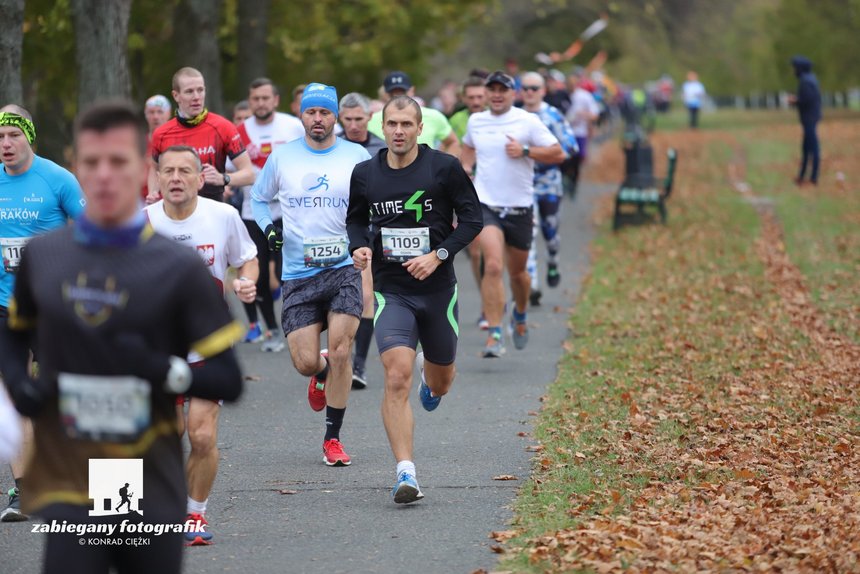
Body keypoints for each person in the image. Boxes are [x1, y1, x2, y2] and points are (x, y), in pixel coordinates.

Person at [0, 101, 244, 573]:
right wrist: (22, 387)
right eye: (93, 163)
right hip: (70, 476)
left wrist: (160, 369)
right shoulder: (45, 256)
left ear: (142, 173)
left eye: (119, 162)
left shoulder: (176, 267)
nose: (105, 175)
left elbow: (227, 379)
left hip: (145, 477)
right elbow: (14, 333)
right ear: (77, 170)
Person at [347, 95, 482, 503]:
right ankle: (405, 472)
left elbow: (473, 219)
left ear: (421, 128)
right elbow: (355, 218)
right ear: (381, 128)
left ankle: (432, 381)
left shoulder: (444, 167)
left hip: (438, 291)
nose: (399, 131)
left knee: (441, 380)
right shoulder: (366, 173)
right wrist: (359, 246)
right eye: (392, 124)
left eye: (407, 124)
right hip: (393, 292)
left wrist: (438, 254)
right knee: (395, 374)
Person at [251, 83, 371, 466]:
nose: (317, 120)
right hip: (299, 273)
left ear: (335, 116)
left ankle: (332, 438)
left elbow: (371, 204)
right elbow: (257, 198)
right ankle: (319, 372)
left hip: (343, 268)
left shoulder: (356, 155)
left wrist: (365, 240)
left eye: (325, 113)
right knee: (305, 362)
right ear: (301, 115)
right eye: (311, 113)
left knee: (341, 350)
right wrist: (270, 230)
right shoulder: (283, 157)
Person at [146, 145, 258, 546]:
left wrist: (246, 281)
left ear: (199, 178)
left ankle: (195, 514)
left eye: (184, 171)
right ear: (157, 178)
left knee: (203, 436)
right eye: (168, 171)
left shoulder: (223, 216)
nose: (176, 178)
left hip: (207, 345)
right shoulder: (141, 223)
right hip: (157, 349)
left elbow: (247, 258)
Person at [0, 105, 85, 522]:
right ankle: (23, 490)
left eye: (13, 135)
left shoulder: (57, 179)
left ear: (28, 136)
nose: (5, 144)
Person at [461, 71, 564, 358]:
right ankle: (495, 332)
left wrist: (526, 150)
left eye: (502, 90)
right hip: (487, 205)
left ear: (512, 93)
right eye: (491, 89)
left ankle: (519, 313)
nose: (496, 94)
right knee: (492, 265)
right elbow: (467, 148)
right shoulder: (476, 121)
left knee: (519, 275)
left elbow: (558, 153)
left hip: (519, 206)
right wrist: (466, 167)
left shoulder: (527, 121)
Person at [236, 77, 305, 350]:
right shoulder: (239, 131)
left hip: (290, 211)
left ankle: (300, 325)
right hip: (254, 212)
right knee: (260, 274)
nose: (260, 103)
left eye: (266, 98)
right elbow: (234, 169)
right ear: (250, 101)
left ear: (275, 100)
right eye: (255, 99)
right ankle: (272, 330)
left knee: (294, 270)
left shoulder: (293, 126)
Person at [148, 67, 255, 203]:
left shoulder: (223, 127)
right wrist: (153, 192)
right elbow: (154, 170)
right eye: (189, 92)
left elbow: (249, 174)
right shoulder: (161, 133)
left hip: (212, 212)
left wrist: (223, 178)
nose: (196, 97)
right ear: (176, 96)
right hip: (175, 213)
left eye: (200, 90)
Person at [338, 93, 386, 389]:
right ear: (340, 119)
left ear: (370, 118)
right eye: (348, 119)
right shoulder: (332, 147)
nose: (354, 125)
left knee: (366, 295)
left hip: (368, 227)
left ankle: (359, 365)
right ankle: (336, 356)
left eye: (359, 119)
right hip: (331, 228)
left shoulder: (381, 147)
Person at [520, 72, 578, 305]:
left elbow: (571, 147)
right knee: (529, 233)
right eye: (525, 88)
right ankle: (532, 283)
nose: (530, 92)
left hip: (549, 183)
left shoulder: (552, 115)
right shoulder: (516, 116)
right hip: (524, 184)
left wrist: (545, 154)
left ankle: (553, 261)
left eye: (534, 88)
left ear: (543, 91)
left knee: (550, 233)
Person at [367, 71, 460, 156]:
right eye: (393, 94)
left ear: (412, 91)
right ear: (385, 95)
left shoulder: (433, 116)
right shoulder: (371, 120)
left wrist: (442, 166)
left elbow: (453, 142)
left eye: (403, 93)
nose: (399, 98)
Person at [565, 72, 600, 199]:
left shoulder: (584, 96)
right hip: (565, 133)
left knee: (578, 159)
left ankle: (573, 183)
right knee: (565, 159)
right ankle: (566, 180)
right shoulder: (563, 95)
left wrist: (584, 115)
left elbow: (595, 114)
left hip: (580, 133)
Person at [788, 56, 821, 186]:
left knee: (812, 148)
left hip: (809, 118)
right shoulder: (810, 79)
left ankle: (813, 177)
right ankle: (803, 176)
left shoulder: (806, 81)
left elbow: (807, 100)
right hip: (811, 117)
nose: (793, 71)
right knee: (807, 147)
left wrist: (794, 101)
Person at [142, 95, 172, 201]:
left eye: (160, 112)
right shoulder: (138, 143)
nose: (155, 117)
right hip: (141, 201)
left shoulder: (175, 142)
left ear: (168, 113)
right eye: (151, 112)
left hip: (168, 201)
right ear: (145, 114)